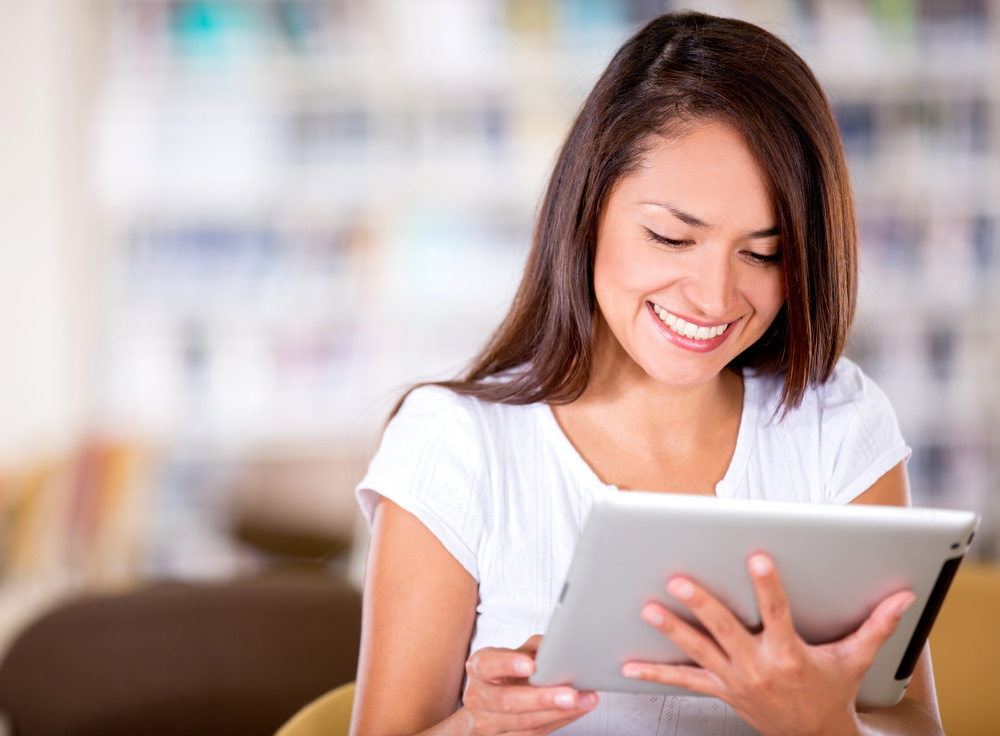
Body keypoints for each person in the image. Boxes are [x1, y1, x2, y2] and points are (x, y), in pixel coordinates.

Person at [350, 11, 944, 736]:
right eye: (671, 237)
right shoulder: (455, 447)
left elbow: (915, 722)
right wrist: (478, 726)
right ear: (588, 208)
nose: (714, 298)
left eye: (763, 253)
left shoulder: (835, 424)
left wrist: (823, 725)